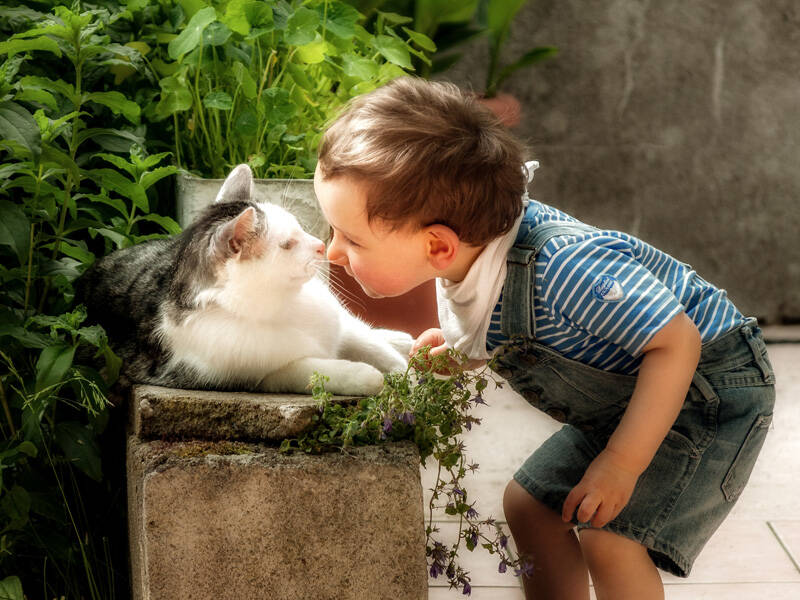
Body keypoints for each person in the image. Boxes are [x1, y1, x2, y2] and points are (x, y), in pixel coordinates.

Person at [312, 76, 775, 599]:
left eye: (350, 238)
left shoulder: (565, 270)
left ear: (438, 245)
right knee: (530, 505)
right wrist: (462, 350)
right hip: (631, 395)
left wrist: (622, 465)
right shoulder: (474, 253)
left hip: (709, 389)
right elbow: (509, 320)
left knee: (612, 537)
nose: (331, 251)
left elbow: (677, 343)